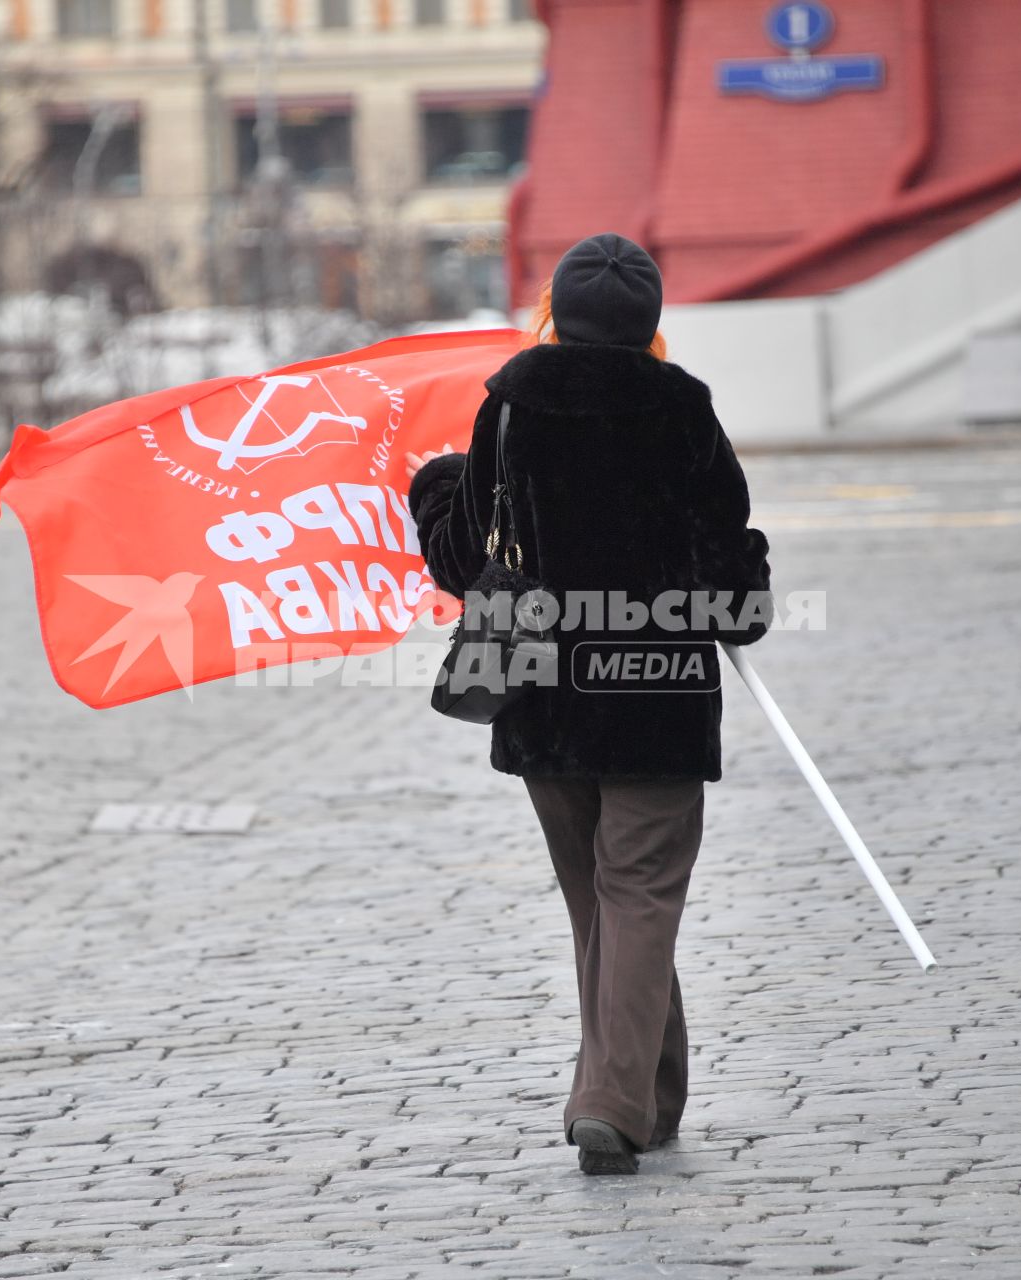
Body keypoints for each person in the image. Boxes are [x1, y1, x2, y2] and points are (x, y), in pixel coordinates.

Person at [405, 232, 772, 1175]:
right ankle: (611, 1103)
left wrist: (437, 488)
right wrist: (744, 580)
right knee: (638, 897)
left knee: (601, 909)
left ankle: (650, 1096)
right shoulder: (685, 411)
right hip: (657, 700)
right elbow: (732, 583)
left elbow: (460, 562)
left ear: (558, 313)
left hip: (544, 698)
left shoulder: (510, 408)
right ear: (649, 322)